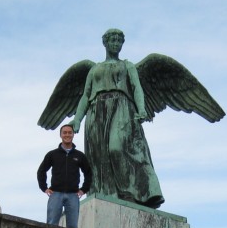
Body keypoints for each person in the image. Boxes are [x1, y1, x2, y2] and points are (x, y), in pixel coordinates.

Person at [70, 29, 164, 208]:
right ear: (105, 43)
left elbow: (137, 88)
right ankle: (106, 193)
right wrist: (77, 119)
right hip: (96, 110)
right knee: (99, 156)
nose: (116, 43)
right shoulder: (94, 69)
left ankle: (129, 191)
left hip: (121, 108)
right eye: (112, 40)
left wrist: (141, 109)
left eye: (119, 41)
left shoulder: (127, 66)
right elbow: (85, 95)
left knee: (116, 148)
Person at [36, 124, 92, 228]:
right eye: (65, 132)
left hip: (73, 196)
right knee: (51, 225)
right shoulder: (52, 154)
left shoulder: (80, 156)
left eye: (70, 132)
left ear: (73, 134)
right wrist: (44, 188)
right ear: (61, 135)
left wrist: (83, 189)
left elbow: (88, 173)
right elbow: (41, 171)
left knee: (72, 227)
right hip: (55, 194)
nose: (67, 135)